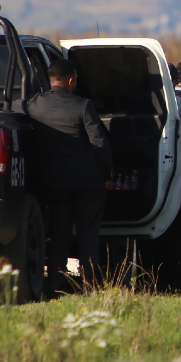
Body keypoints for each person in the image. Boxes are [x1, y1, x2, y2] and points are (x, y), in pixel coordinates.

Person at [21, 59, 112, 297]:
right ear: (71, 80)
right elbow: (99, 142)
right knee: (88, 234)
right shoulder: (83, 105)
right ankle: (90, 286)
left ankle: (54, 287)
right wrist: (107, 174)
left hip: (55, 182)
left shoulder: (34, 105)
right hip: (88, 182)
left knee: (59, 234)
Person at [137, 63, 181, 291]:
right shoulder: (178, 103)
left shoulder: (132, 101)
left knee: (143, 227)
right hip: (174, 171)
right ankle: (168, 281)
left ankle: (144, 280)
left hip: (141, 170)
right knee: (174, 229)